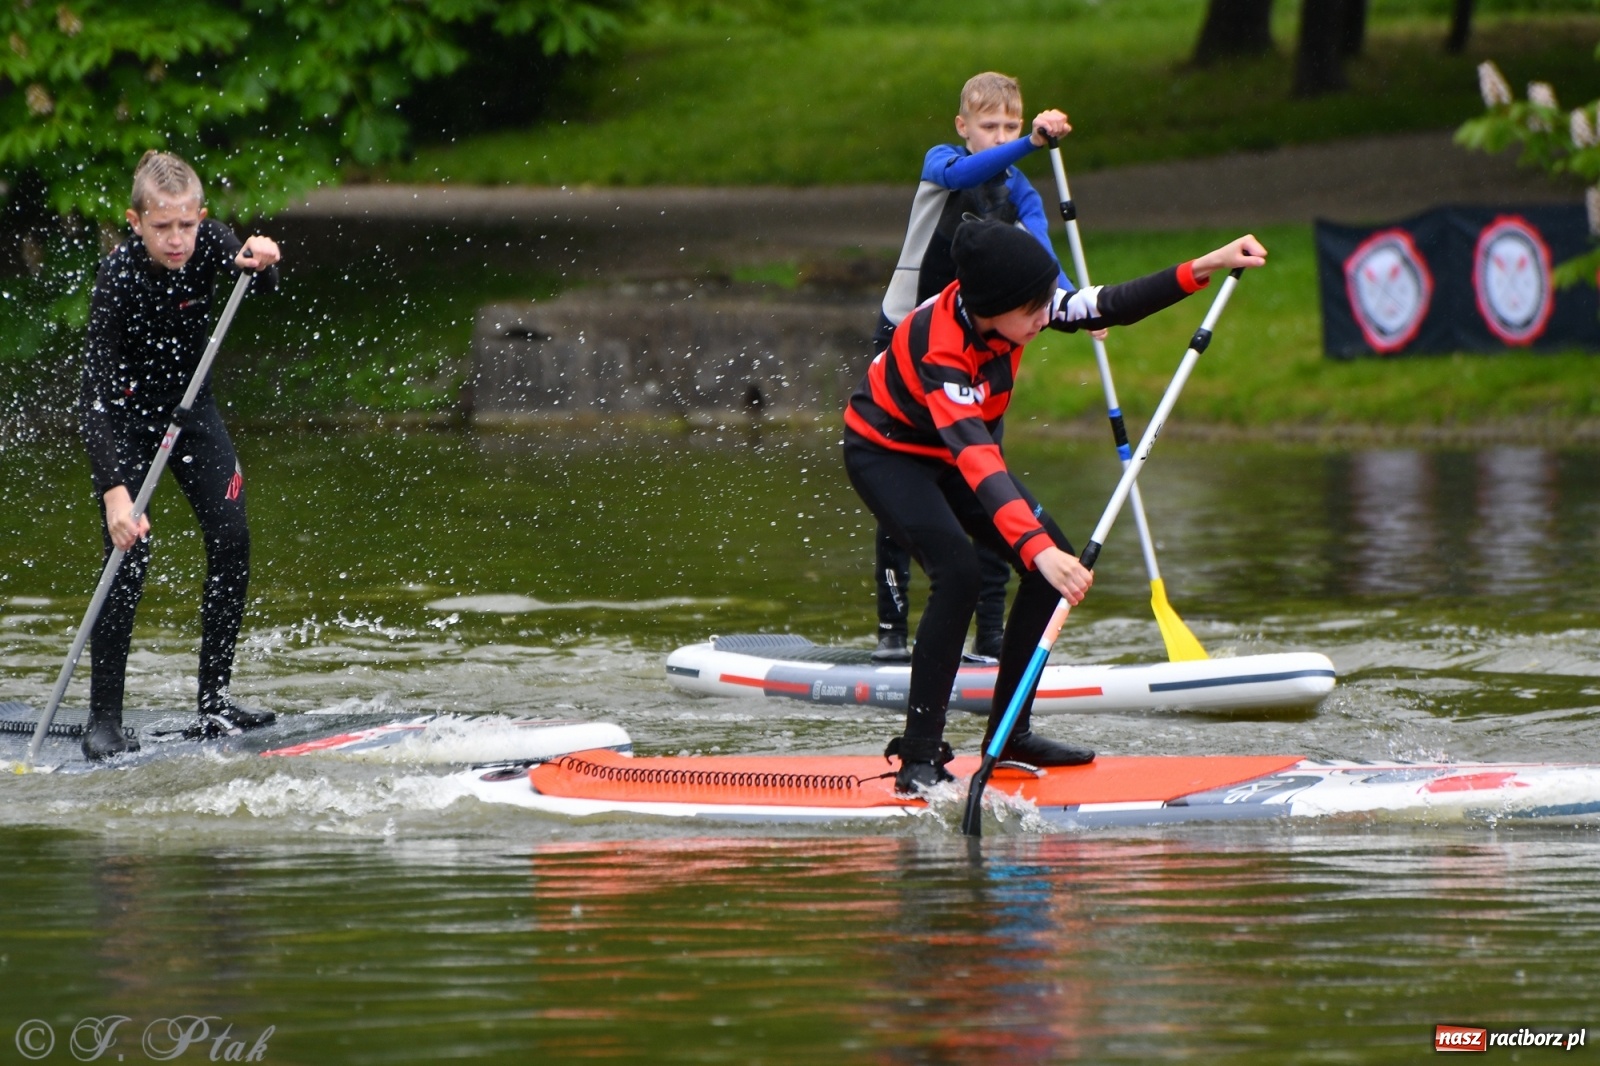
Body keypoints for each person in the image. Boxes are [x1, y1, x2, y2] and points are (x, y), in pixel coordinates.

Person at [844, 218, 1267, 793]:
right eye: (1035, 309)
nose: (1048, 315)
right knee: (960, 574)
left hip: (956, 454)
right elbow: (977, 458)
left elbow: (1110, 303)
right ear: (993, 310)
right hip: (887, 455)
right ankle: (918, 757)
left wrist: (1207, 265)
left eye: (1047, 302)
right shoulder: (941, 348)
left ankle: (1010, 736)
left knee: (1049, 573)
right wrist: (1035, 548)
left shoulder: (1023, 305)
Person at [77, 150, 282, 760]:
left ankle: (214, 701)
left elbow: (258, 281)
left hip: (193, 415)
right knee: (128, 556)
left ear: (202, 217)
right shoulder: (116, 277)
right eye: (162, 226)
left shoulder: (211, 241)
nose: (176, 239)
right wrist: (115, 494)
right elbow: (92, 396)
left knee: (232, 537)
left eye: (186, 225)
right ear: (135, 222)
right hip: (128, 423)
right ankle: (103, 721)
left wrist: (263, 258)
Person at [868, 71, 1076, 664]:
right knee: (904, 474)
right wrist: (1031, 143)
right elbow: (967, 176)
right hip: (904, 339)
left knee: (990, 484)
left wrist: (1078, 305)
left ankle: (990, 637)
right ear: (963, 127)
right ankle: (891, 632)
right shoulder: (942, 164)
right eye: (989, 126)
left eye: (1012, 126)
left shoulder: (1022, 194)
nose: (1001, 136)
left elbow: (1042, 260)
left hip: (974, 349)